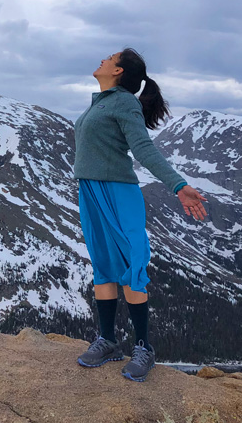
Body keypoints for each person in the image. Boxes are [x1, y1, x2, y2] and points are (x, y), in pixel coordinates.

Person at [72, 48, 207, 382]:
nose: (102, 59)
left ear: (118, 71)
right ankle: (108, 341)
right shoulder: (100, 101)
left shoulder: (124, 103)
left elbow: (143, 148)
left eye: (110, 57)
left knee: (133, 264)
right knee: (103, 263)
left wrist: (179, 186)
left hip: (118, 192)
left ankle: (144, 348)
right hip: (90, 189)